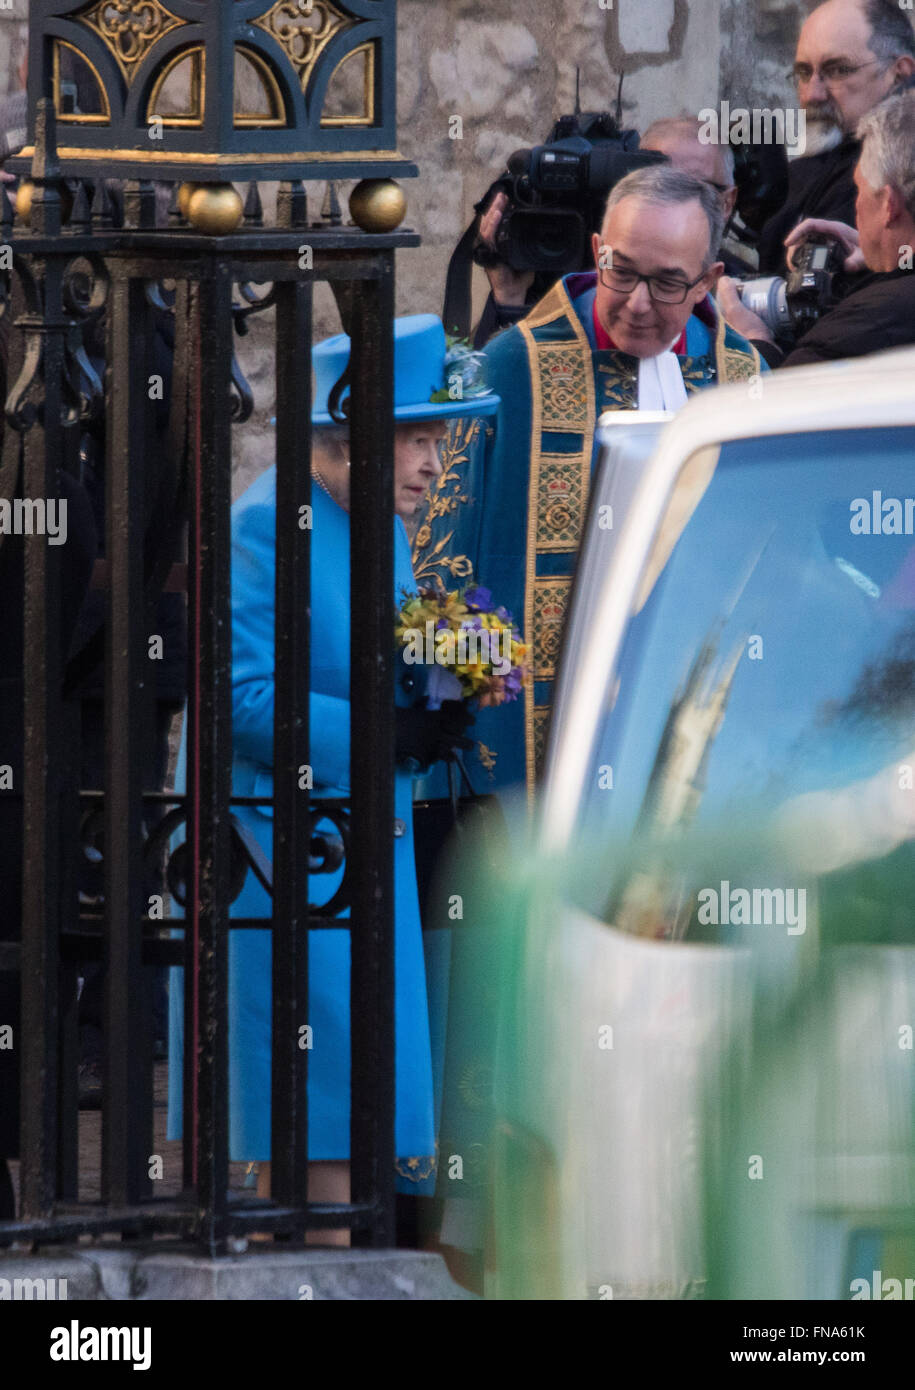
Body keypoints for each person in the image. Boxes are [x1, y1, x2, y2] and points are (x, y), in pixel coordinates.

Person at [167, 315, 495, 1241]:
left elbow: (360, 658)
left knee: (349, 1110)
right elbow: (238, 697)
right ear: (351, 434)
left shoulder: (371, 519)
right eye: (418, 438)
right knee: (316, 1115)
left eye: (438, 439)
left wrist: (447, 681)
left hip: (353, 849)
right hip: (284, 859)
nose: (435, 464)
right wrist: (388, 732)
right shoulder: (268, 522)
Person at [413, 166, 765, 798]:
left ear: (709, 280)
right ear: (598, 250)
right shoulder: (511, 369)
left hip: (690, 706)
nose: (636, 302)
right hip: (537, 730)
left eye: (667, 283)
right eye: (620, 271)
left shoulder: (745, 381)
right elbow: (443, 563)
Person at [719, 90, 915, 367]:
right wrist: (884, 250)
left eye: (859, 189)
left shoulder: (869, 322)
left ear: (888, 205)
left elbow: (784, 392)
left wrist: (753, 341)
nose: (856, 205)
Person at [757, 0, 915, 277]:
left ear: (899, 74)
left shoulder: (898, 166)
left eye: (838, 70)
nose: (812, 94)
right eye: (804, 73)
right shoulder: (815, 164)